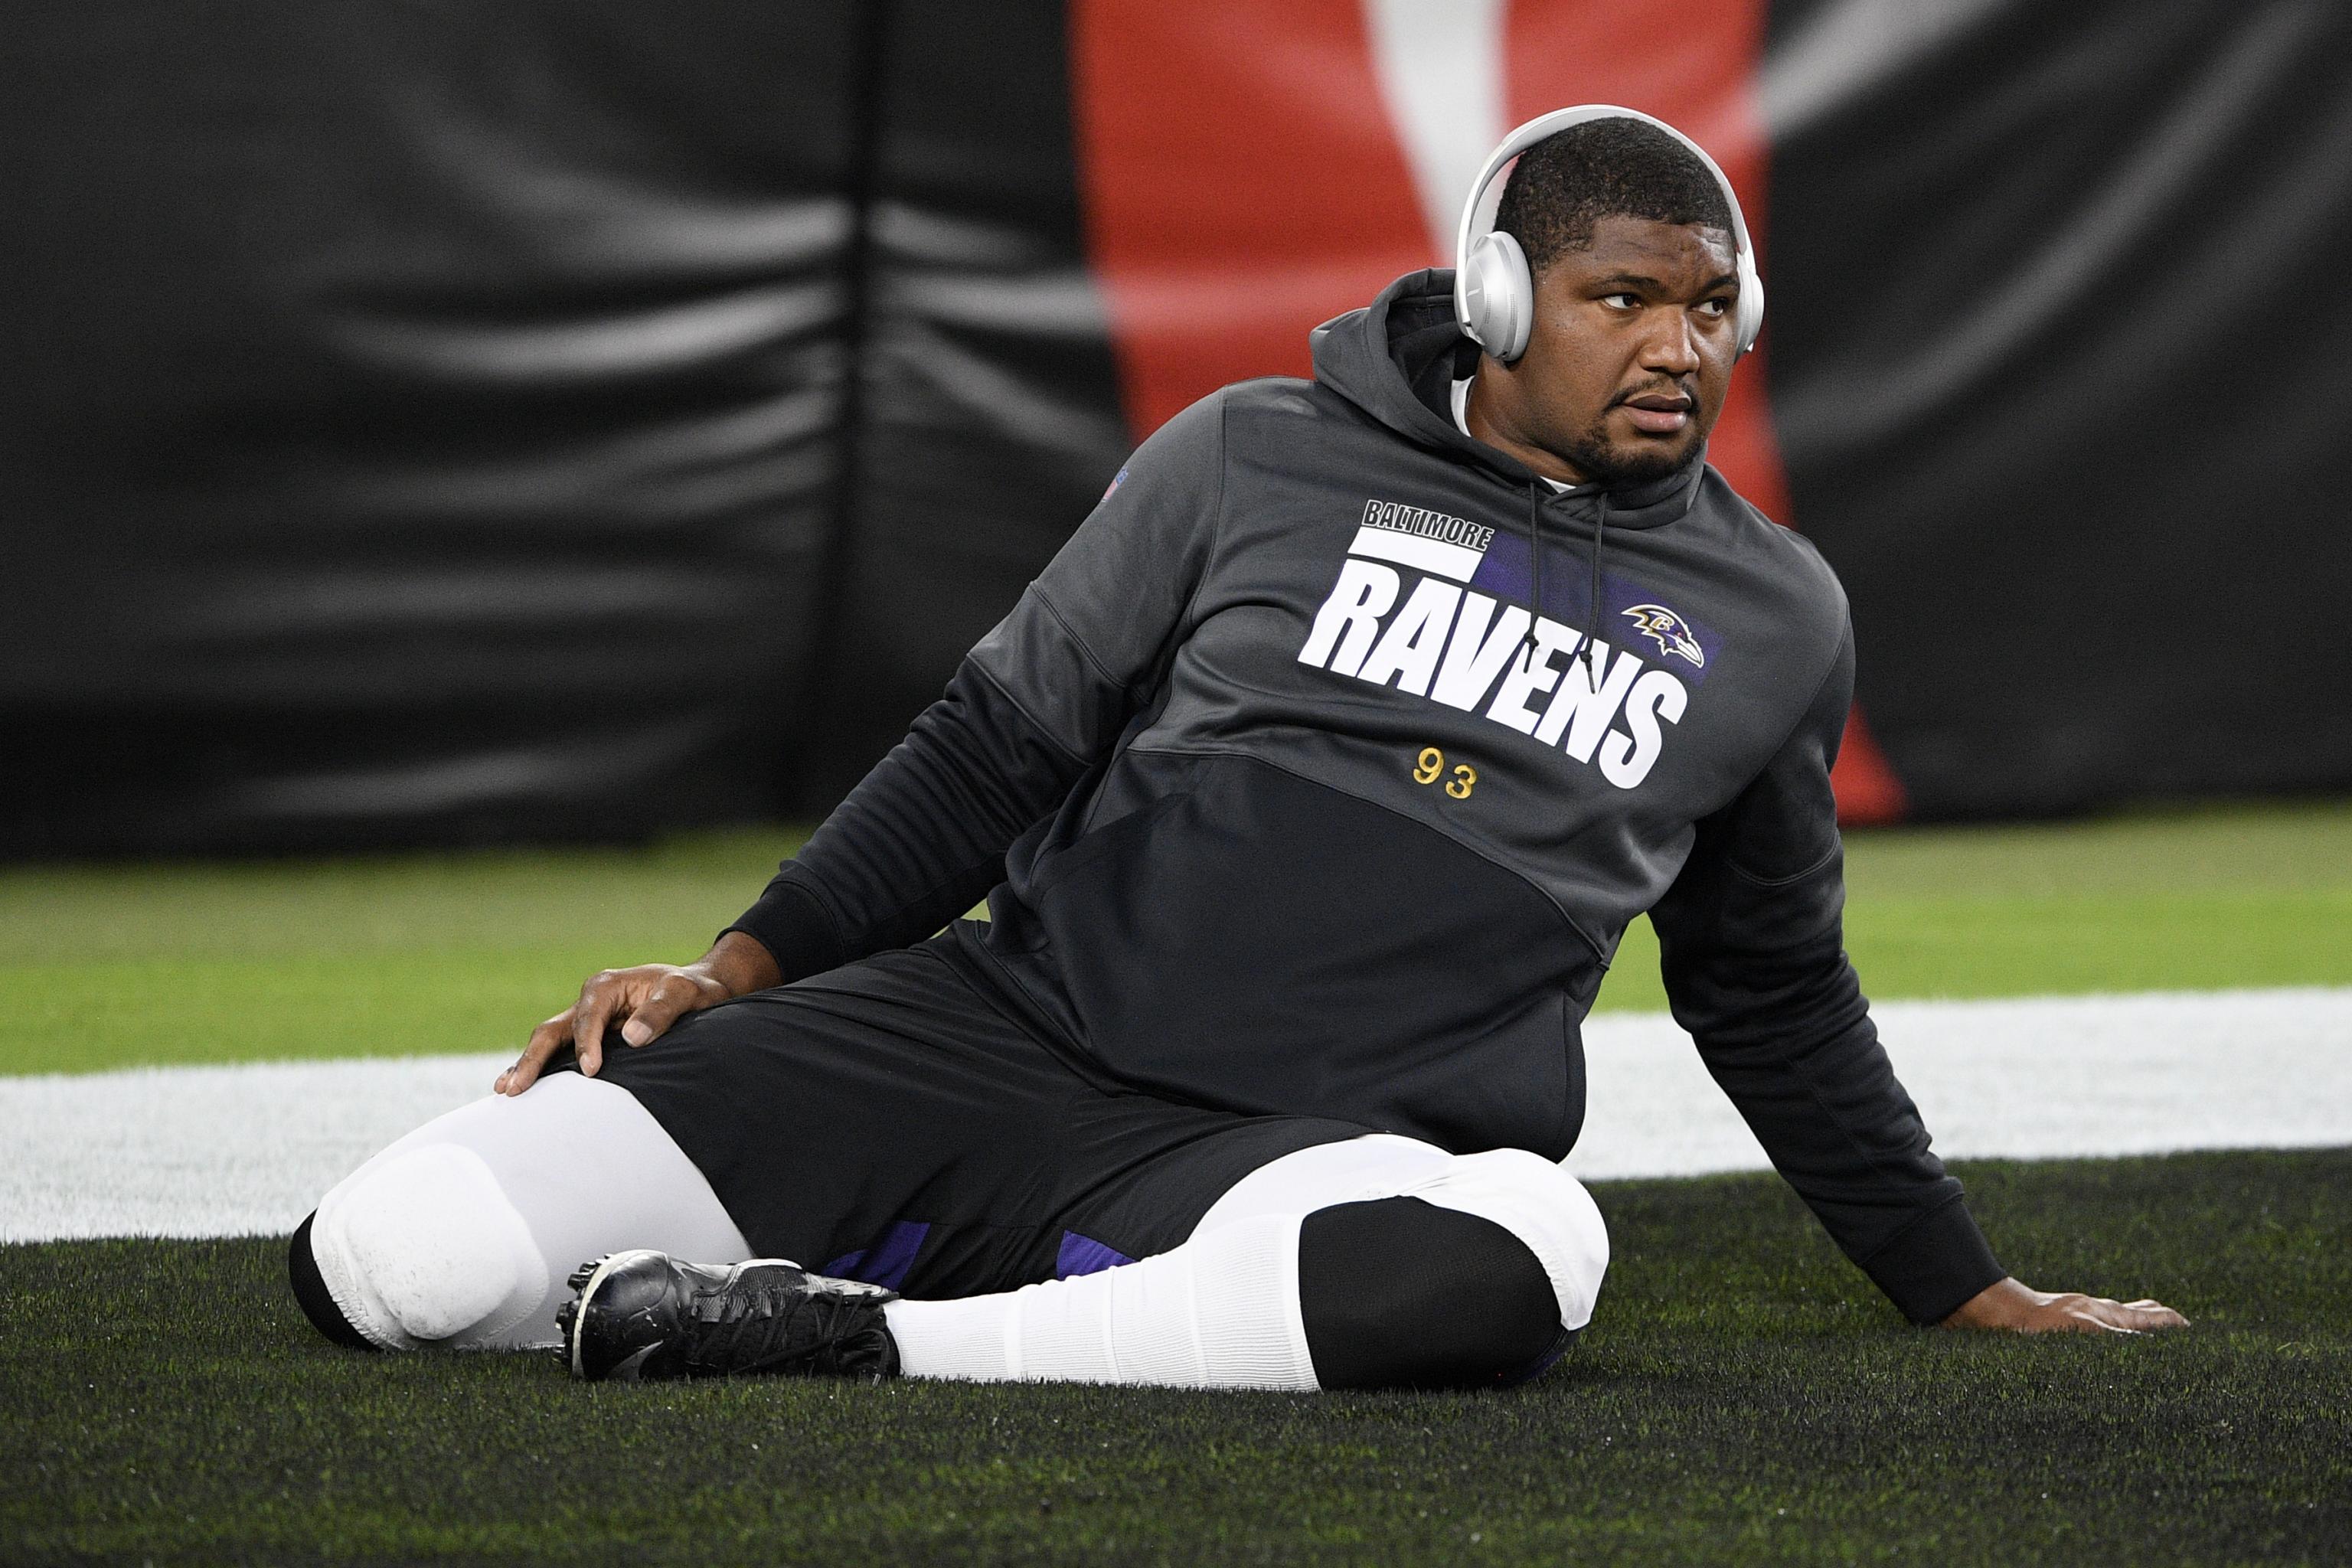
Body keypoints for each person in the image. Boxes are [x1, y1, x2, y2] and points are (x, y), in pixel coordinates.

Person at [289, 109, 2185, 1389]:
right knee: (397, 1256)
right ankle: (889, 1270)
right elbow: (990, 748)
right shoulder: (1251, 452)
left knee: (1515, 1259)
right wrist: (737, 971)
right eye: (1624, 299)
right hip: (999, 1030)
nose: (1678, 346)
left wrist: (1959, 1280)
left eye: (1709, 306)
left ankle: (860, 1341)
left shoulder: (1778, 614)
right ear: (1508, 300)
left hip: (1305, 1149)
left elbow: (1772, 989)